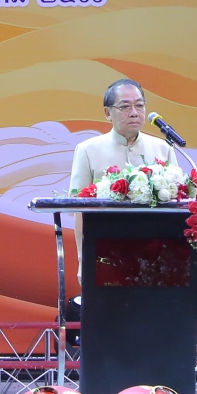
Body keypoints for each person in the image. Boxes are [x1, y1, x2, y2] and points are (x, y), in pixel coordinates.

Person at [67, 79, 175, 280]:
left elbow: (174, 207)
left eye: (139, 105)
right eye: (125, 106)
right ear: (108, 113)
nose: (134, 112)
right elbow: (79, 211)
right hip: (106, 254)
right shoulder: (88, 150)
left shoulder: (163, 149)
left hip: (154, 256)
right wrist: (84, 260)